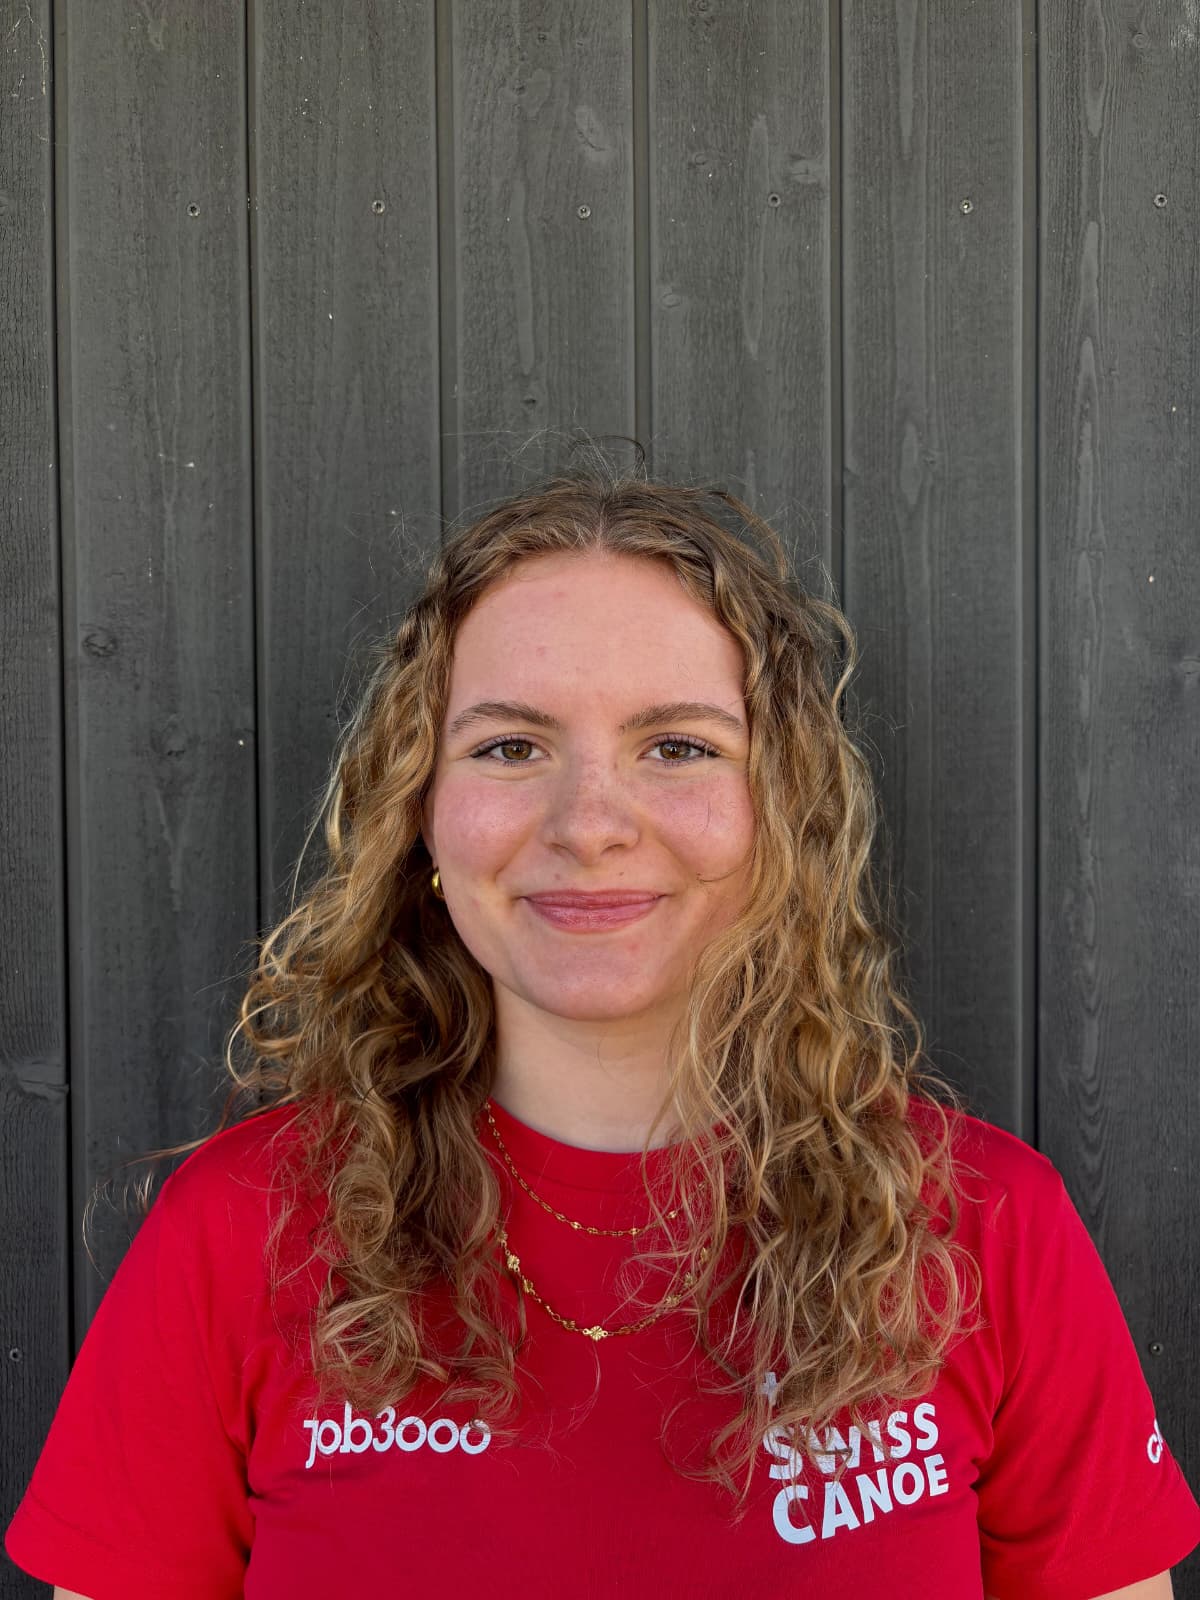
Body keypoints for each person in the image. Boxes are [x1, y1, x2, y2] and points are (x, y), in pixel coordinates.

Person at [6, 454, 1200, 1600]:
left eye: (677, 745)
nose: (589, 822)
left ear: (782, 807)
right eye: (510, 746)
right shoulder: (240, 1231)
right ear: (422, 812)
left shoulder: (983, 1230)